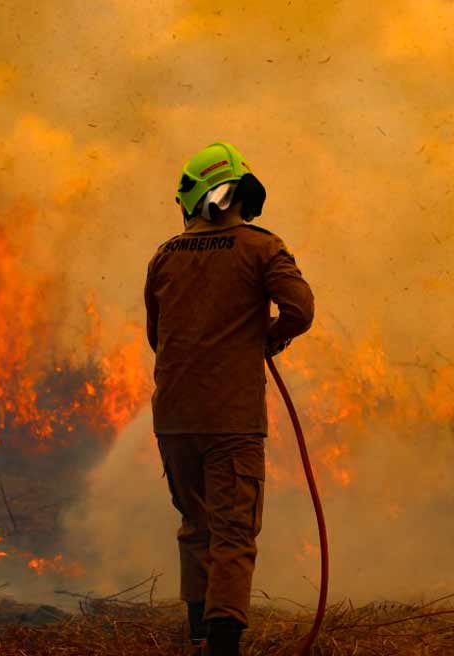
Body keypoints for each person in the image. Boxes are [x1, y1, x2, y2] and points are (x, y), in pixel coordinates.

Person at [143, 142, 315, 656]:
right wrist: (270, 335)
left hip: (173, 418)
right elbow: (300, 309)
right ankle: (222, 645)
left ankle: (198, 629)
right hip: (231, 421)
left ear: (191, 198)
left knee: (195, 523)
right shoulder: (260, 248)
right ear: (241, 195)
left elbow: (159, 336)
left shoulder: (164, 256)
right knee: (233, 530)